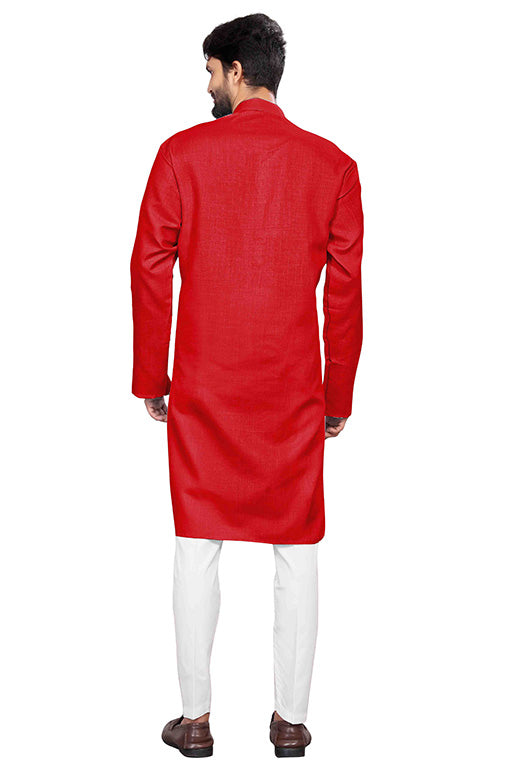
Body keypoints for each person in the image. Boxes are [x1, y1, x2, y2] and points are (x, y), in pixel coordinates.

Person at [130, 12, 364, 758]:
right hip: (292, 391)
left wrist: (152, 376)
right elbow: (345, 293)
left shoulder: (180, 154)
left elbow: (148, 266)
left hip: (205, 387)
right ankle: (290, 722)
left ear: (236, 70)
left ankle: (195, 720)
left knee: (196, 543)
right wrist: (337, 396)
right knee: (297, 548)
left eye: (210, 71)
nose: (207, 85)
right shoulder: (333, 166)